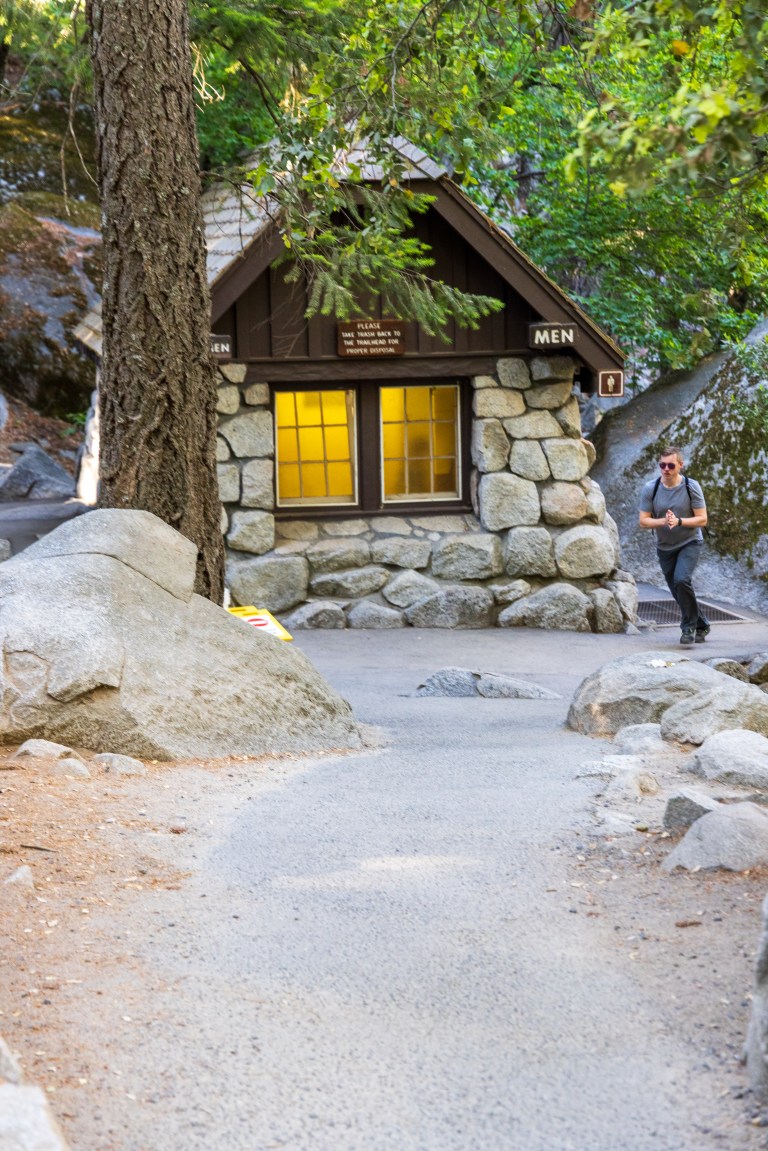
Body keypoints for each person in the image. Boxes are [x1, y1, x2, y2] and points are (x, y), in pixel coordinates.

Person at [638, 446, 710, 646]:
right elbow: (643, 521)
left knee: (681, 579)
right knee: (677, 590)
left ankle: (688, 627)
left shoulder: (690, 486)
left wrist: (678, 521)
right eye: (662, 465)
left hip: (689, 541)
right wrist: (663, 521)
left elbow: (702, 519)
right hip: (665, 546)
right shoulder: (651, 488)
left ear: (680, 465)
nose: (666, 469)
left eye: (670, 465)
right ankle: (701, 623)